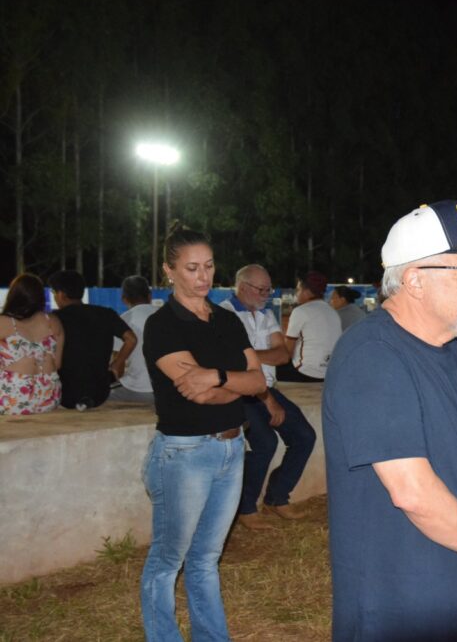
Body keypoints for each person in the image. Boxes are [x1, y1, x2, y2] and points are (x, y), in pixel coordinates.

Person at [322, 199, 457, 641]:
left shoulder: (447, 348)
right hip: (398, 603)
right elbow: (411, 491)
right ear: (414, 280)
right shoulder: (372, 355)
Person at [139, 224, 267, 641]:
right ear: (169, 271)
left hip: (232, 449)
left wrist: (215, 375)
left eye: (209, 266)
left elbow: (259, 383)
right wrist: (233, 383)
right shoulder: (163, 325)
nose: (203, 276)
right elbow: (198, 396)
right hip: (184, 454)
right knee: (167, 560)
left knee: (206, 558)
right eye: (191, 268)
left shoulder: (227, 320)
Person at [221, 264, 318, 530]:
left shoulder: (265, 315)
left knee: (304, 436)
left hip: (266, 388)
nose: (266, 294)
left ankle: (277, 497)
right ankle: (246, 507)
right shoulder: (225, 316)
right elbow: (239, 366)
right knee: (264, 443)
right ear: (242, 287)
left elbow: (282, 355)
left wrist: (251, 355)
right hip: (239, 393)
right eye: (261, 289)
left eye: (268, 289)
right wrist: (267, 398)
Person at [49, 269, 136, 409]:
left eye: (54, 293)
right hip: (99, 393)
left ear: (61, 294)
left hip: (65, 395)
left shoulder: (54, 319)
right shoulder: (106, 314)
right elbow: (131, 339)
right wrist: (117, 364)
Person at [1, 274, 63, 415]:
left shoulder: (3, 322)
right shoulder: (53, 322)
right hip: (49, 398)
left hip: (12, 400)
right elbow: (58, 364)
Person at [278, 271, 342, 382]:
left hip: (306, 373)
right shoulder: (333, 312)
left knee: (270, 369)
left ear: (307, 292)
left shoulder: (300, 311)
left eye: (298, 289)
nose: (297, 293)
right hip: (329, 373)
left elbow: (287, 353)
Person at [108, 276, 158, 403]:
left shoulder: (124, 320)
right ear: (149, 296)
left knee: (103, 396)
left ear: (124, 299)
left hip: (136, 390)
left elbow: (117, 369)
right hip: (167, 390)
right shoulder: (166, 316)